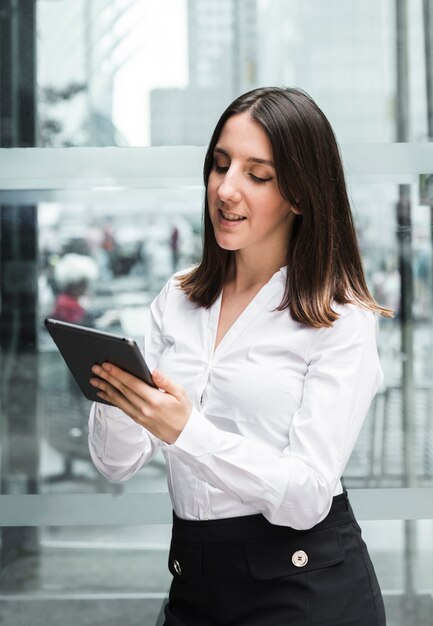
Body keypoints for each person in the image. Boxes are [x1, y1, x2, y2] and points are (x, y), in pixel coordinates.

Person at [88, 87, 392, 625]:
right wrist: (115, 395)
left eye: (258, 175)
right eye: (220, 165)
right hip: (195, 580)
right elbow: (116, 464)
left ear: (301, 193)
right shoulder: (177, 297)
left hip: (304, 587)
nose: (226, 190)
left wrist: (187, 432)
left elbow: (308, 495)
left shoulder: (339, 316)